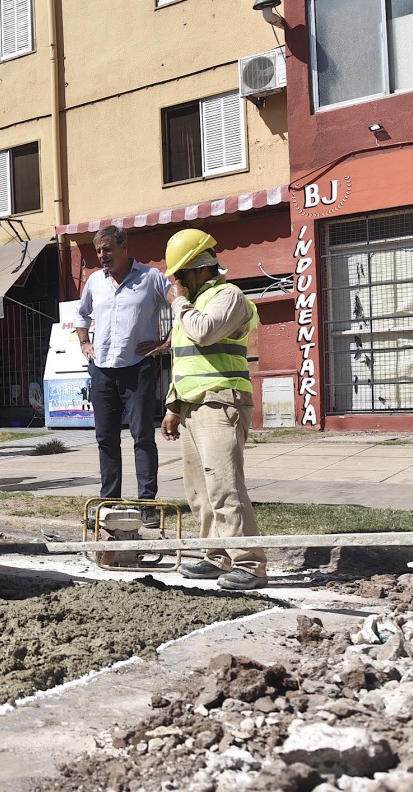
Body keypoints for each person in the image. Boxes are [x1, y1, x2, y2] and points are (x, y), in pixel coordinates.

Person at [159, 227, 266, 592]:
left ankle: (249, 563)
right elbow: (184, 361)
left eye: (181, 274)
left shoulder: (227, 296)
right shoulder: (194, 305)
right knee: (200, 490)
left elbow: (204, 332)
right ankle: (216, 555)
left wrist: (178, 304)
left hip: (221, 402)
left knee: (224, 484)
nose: (177, 283)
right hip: (193, 406)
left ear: (202, 267)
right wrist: (173, 405)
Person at [73, 225, 172, 527]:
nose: (102, 255)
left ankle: (147, 503)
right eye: (98, 251)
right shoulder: (94, 281)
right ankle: (109, 500)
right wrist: (84, 343)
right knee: (106, 438)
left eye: (107, 249)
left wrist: (165, 343)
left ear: (124, 247)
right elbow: (80, 314)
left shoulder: (151, 277)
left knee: (142, 436)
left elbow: (180, 305)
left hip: (137, 368)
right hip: (102, 369)